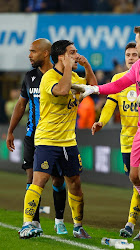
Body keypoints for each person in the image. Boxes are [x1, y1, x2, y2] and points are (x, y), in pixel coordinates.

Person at [73, 25, 140, 241]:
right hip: (137, 131)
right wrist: (94, 90)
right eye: (128, 54)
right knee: (134, 176)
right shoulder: (138, 67)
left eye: (137, 44)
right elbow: (117, 86)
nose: (132, 54)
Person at [18, 39, 97, 239]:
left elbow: (93, 88)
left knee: (75, 183)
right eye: (72, 52)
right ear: (61, 56)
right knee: (40, 180)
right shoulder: (49, 77)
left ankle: (78, 226)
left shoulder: (76, 76)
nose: (76, 55)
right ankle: (27, 224)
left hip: (69, 141)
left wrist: (86, 66)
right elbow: (62, 90)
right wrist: (70, 68)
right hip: (47, 139)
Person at [6, 38, 68, 235]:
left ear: (45, 53)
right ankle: (33, 223)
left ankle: (59, 220)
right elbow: (21, 104)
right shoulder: (29, 76)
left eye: (33, 51)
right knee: (32, 178)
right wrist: (10, 130)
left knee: (58, 180)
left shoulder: (59, 75)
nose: (29, 55)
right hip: (33, 135)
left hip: (55, 136)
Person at [91, 42, 140, 237]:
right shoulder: (119, 79)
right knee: (136, 181)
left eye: (134, 54)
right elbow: (110, 105)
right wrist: (101, 122)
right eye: (128, 54)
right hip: (127, 141)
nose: (130, 58)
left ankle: (131, 223)